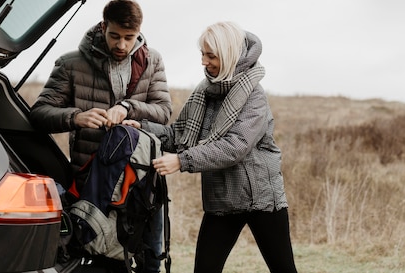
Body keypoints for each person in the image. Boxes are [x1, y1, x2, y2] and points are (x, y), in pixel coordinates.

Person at [127, 21, 297, 273]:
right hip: (221, 198)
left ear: (228, 56)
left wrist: (182, 161)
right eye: (202, 54)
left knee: (283, 269)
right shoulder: (204, 93)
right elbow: (177, 135)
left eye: (211, 55)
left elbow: (234, 147)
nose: (204, 62)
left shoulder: (254, 96)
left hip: (260, 198)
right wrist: (141, 127)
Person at [29, 0, 172, 273]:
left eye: (129, 38)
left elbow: (164, 111)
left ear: (139, 32)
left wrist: (128, 107)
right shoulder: (70, 64)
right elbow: (39, 113)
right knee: (94, 257)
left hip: (142, 184)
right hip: (92, 184)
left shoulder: (153, 61)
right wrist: (75, 117)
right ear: (103, 26)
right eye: (115, 36)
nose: (121, 45)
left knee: (149, 258)